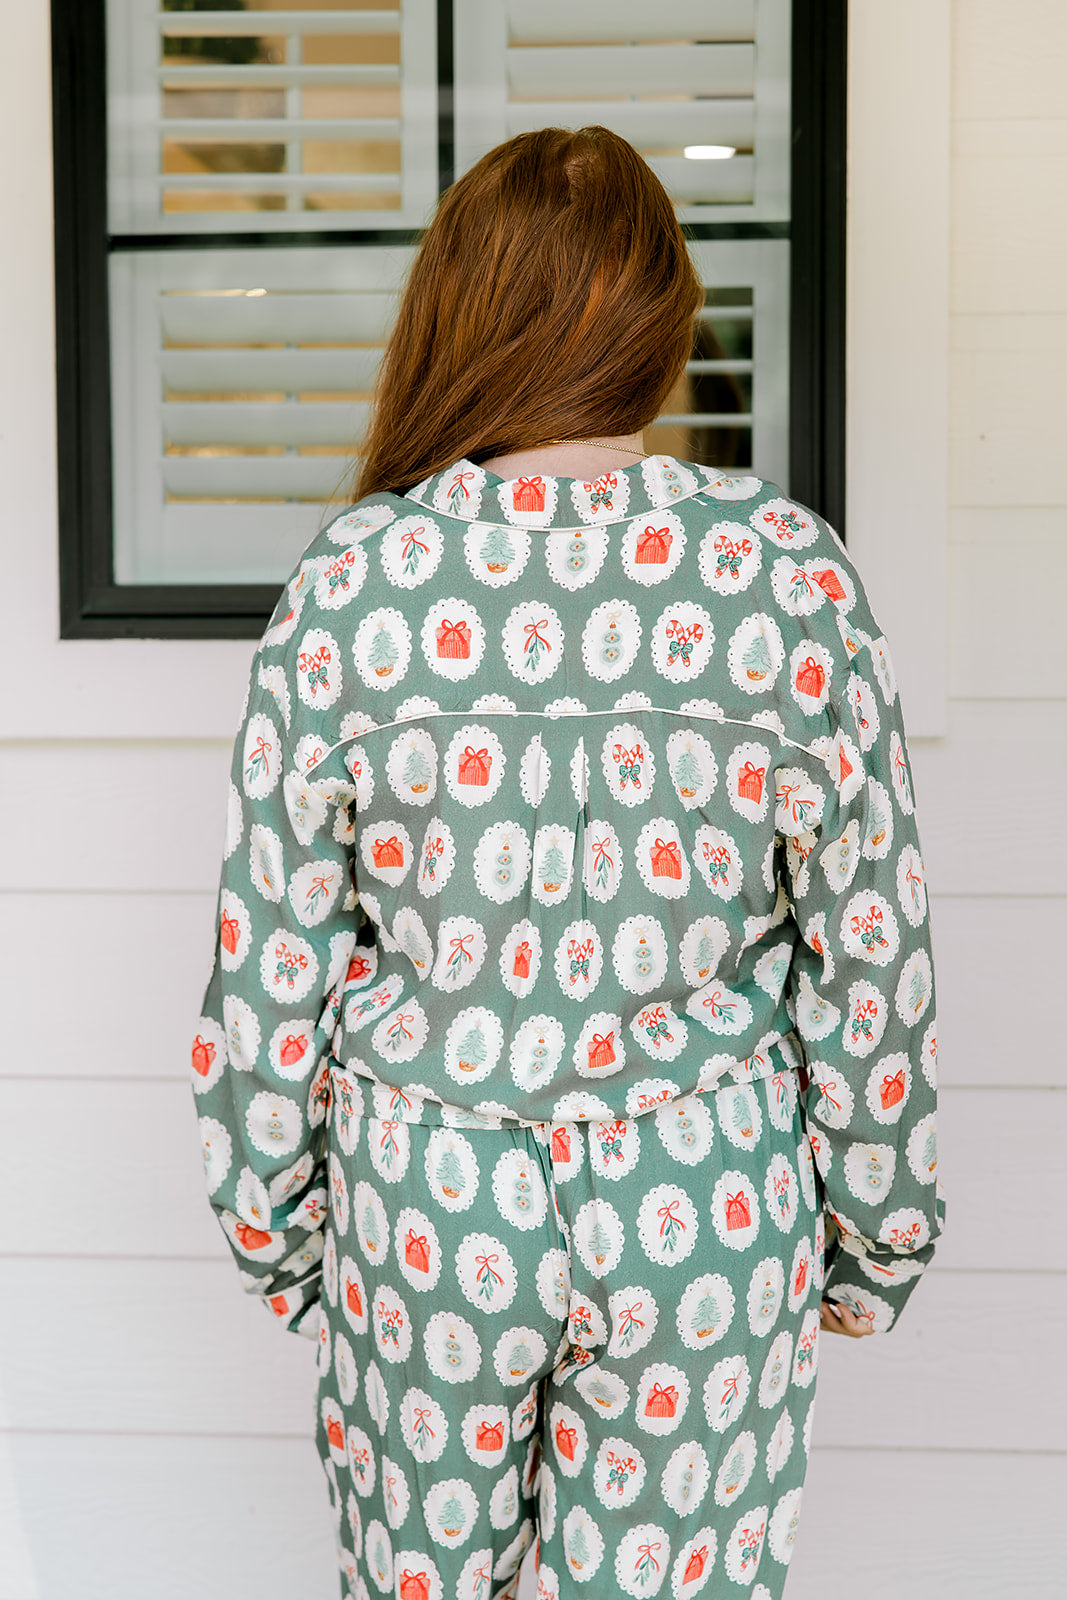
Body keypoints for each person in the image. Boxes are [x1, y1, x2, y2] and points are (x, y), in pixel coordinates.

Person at [190, 126, 944, 1600]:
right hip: (706, 1203)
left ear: (453, 322)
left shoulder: (354, 585)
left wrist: (279, 1232)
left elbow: (268, 957)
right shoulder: (790, 577)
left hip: (427, 1203)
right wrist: (877, 1235)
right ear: (670, 332)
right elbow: (874, 960)